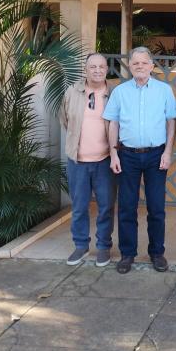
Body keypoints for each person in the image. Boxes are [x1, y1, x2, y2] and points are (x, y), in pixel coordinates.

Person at [103, 46, 176, 274]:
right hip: (127, 155)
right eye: (135, 63)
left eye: (144, 63)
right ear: (130, 66)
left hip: (156, 154)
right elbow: (112, 123)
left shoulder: (164, 91)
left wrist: (167, 152)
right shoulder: (120, 92)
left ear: (152, 66)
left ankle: (157, 253)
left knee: (156, 208)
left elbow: (171, 123)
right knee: (127, 207)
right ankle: (128, 254)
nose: (139, 66)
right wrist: (114, 153)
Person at [59, 53, 117, 267]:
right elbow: (64, 118)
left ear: (107, 69)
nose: (98, 70)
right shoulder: (72, 92)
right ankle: (81, 245)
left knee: (106, 206)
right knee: (80, 206)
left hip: (105, 160)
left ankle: (103, 247)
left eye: (101, 67)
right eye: (93, 67)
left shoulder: (113, 92)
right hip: (78, 161)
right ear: (86, 69)